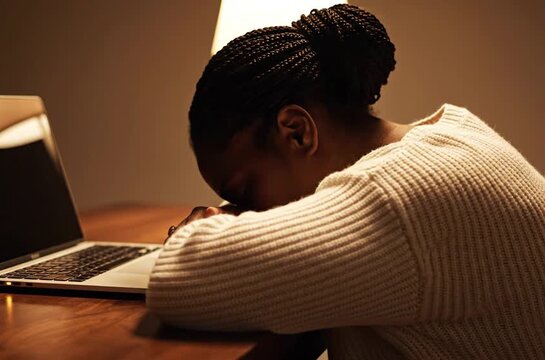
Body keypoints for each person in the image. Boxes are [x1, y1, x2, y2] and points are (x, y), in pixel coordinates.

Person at [146, 4, 545, 358]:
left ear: (297, 132)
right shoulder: (452, 136)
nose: (247, 213)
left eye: (245, 193)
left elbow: (180, 281)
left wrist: (199, 232)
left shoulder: (395, 197)